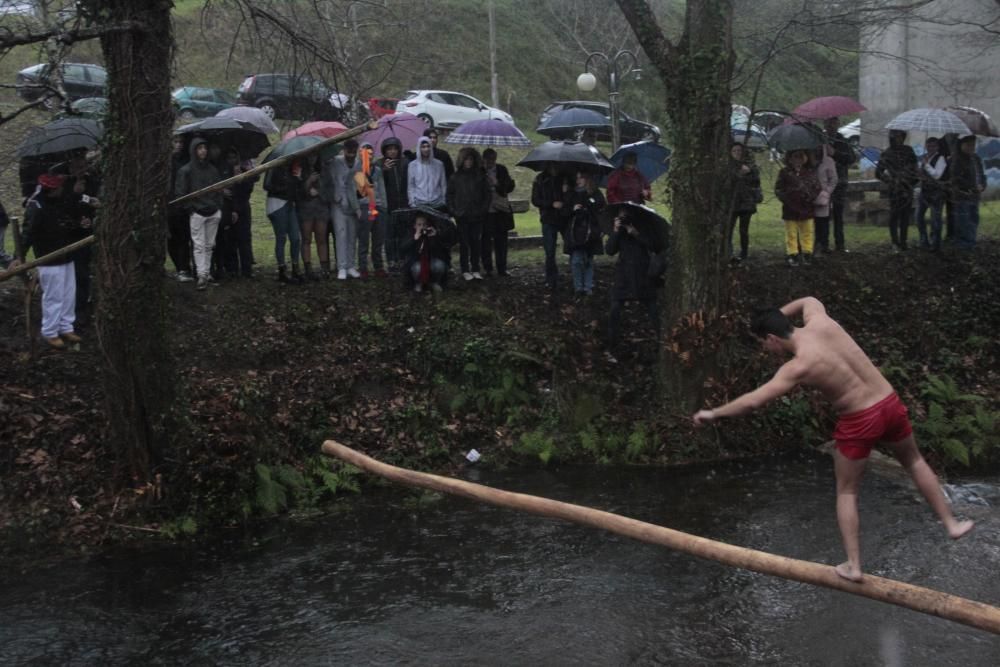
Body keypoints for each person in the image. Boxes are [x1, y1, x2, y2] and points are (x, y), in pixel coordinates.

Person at [691, 297, 975, 582]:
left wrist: (714, 413)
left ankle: (854, 565)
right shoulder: (822, 321)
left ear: (772, 339)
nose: (765, 350)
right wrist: (778, 314)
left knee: (847, 491)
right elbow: (808, 299)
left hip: (860, 418)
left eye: (764, 344)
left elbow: (753, 402)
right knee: (914, 461)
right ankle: (951, 523)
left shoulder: (798, 366)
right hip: (888, 402)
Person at [12, 174, 81, 349]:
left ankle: (66, 327)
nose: (62, 190)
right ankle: (50, 331)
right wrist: (18, 257)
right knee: (54, 297)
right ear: (53, 190)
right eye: (59, 188)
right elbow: (27, 233)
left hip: (67, 255)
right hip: (49, 258)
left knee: (68, 295)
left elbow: (67, 221)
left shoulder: (59, 202)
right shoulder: (36, 207)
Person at [605, 206, 664, 351]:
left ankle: (662, 339)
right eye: (621, 216)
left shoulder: (644, 227)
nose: (624, 219)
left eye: (626, 216)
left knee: (652, 308)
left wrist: (637, 234)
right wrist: (616, 231)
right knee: (615, 308)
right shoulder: (620, 231)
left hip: (643, 273)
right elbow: (610, 250)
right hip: (624, 273)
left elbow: (655, 246)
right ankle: (612, 342)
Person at [174, 138, 224, 290]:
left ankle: (206, 273)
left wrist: (217, 206)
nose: (203, 151)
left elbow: (218, 189)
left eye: (204, 148)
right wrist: (192, 209)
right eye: (199, 148)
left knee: (209, 245)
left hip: (213, 211)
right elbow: (180, 194)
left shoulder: (212, 170)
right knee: (199, 245)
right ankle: (201, 275)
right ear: (193, 150)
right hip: (197, 213)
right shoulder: (186, 171)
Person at [60, 149, 100, 313]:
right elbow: (60, 208)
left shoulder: (93, 181)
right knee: (67, 274)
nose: (81, 171)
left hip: (86, 233)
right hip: (67, 234)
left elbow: (97, 201)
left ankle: (81, 307)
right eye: (77, 167)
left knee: (82, 272)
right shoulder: (63, 183)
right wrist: (75, 194)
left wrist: (92, 213)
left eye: (83, 167)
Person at [447, 146, 492, 281]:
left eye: (471, 159)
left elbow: (487, 195)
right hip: (462, 216)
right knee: (464, 244)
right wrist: (455, 212)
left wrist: (482, 210)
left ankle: (476, 268)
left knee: (475, 243)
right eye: (466, 159)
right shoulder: (455, 177)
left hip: (477, 216)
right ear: (462, 160)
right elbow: (449, 196)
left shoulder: (480, 176)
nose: (468, 162)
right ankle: (465, 269)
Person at [321, 138, 362, 280]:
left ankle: (351, 265)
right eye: (348, 151)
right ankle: (342, 267)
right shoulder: (336, 162)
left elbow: (360, 183)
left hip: (353, 205)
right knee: (341, 234)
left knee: (352, 235)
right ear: (344, 150)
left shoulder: (358, 164)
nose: (351, 155)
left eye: (353, 152)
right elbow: (326, 175)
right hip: (337, 203)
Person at [263, 158, 306, 284]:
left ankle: (295, 267)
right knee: (281, 237)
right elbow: (267, 185)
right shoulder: (274, 167)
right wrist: (285, 187)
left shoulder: (294, 167)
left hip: (289, 203)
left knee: (295, 238)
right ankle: (282, 269)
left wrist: (297, 179)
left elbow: (297, 189)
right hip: (277, 204)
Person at [774, 149, 820, 267]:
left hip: (807, 208)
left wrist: (810, 197)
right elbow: (779, 189)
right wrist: (787, 198)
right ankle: (792, 254)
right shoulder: (784, 172)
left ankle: (807, 253)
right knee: (791, 233)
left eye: (801, 157)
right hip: (790, 208)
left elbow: (817, 187)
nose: (798, 160)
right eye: (795, 157)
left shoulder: (810, 172)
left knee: (807, 232)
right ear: (790, 159)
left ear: (805, 159)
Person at [875, 129, 919, 251]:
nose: (898, 139)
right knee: (894, 215)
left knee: (905, 216)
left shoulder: (908, 151)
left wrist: (910, 181)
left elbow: (915, 169)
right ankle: (895, 242)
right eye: (896, 136)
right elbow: (878, 172)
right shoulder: (887, 153)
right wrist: (891, 180)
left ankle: (904, 242)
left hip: (907, 188)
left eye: (900, 136)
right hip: (894, 189)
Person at [563, 171, 605, 296]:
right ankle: (578, 287)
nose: (578, 180)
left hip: (591, 230)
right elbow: (564, 212)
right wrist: (573, 208)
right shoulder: (572, 193)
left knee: (588, 259)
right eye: (577, 178)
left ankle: (588, 287)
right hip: (575, 231)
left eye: (581, 178)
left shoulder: (596, 193)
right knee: (576, 260)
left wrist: (601, 229)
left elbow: (601, 210)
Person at [531, 162, 568, 291]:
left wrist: (565, 193)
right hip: (548, 217)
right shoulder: (540, 179)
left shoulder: (566, 178)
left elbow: (572, 197)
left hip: (564, 217)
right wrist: (551, 204)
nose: (555, 168)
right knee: (550, 250)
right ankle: (551, 278)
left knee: (571, 245)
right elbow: (535, 200)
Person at [355, 141, 388, 278]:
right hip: (365, 206)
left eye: (370, 152)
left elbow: (382, 189)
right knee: (364, 239)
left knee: (378, 239)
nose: (368, 155)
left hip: (379, 207)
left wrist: (384, 207)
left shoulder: (378, 170)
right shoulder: (356, 170)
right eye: (365, 151)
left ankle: (378, 266)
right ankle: (363, 267)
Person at [481, 148, 515, 277]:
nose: (490, 162)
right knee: (485, 241)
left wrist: (497, 183)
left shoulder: (501, 169)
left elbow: (508, 187)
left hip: (500, 211)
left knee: (501, 241)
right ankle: (488, 267)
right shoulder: (479, 171)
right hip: (485, 212)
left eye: (492, 159)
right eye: (488, 159)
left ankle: (502, 268)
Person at [948, 135, 986, 250]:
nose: (971, 147)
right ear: (962, 145)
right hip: (962, 196)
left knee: (973, 219)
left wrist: (982, 185)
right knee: (963, 221)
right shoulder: (956, 160)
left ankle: (971, 243)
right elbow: (955, 179)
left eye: (973, 145)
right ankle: (963, 245)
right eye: (969, 145)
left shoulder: (976, 158)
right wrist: (972, 187)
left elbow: (982, 175)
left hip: (974, 196)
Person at [401, 211, 454, 293]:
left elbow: (444, 251)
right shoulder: (411, 234)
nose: (422, 227)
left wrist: (435, 237)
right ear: (414, 225)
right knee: (417, 268)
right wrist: (414, 239)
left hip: (433, 262)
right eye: (419, 224)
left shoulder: (433, 234)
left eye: (424, 224)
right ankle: (418, 283)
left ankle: (435, 282)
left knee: (438, 265)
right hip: (417, 263)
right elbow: (403, 249)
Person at [824, 117, 856, 252]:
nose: (832, 125)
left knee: (838, 214)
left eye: (834, 122)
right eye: (829, 122)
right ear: (825, 124)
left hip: (839, 182)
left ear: (838, 124)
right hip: (823, 183)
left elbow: (851, 158)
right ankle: (822, 244)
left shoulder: (842, 140)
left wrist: (835, 153)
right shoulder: (821, 139)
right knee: (822, 214)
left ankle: (840, 244)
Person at [378, 137, 410, 272]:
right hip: (388, 205)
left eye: (394, 148)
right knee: (389, 235)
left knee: (403, 234)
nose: (392, 152)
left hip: (403, 204)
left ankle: (402, 259)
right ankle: (391, 261)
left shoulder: (405, 163)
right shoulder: (379, 164)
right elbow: (376, 185)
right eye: (389, 149)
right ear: (384, 151)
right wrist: (383, 171)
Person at [728, 142, 761, 263]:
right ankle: (729, 253)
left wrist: (749, 172)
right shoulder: (728, 166)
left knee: (744, 230)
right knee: (729, 229)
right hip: (732, 203)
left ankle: (744, 253)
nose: (737, 153)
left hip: (747, 203)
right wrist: (737, 175)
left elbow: (756, 183)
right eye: (734, 151)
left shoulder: (751, 166)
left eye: (739, 151)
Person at [297, 155, 329, 280]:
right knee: (306, 239)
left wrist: (319, 192)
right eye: (310, 155)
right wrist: (308, 181)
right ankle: (308, 269)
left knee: (321, 239)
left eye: (315, 155)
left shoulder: (324, 169)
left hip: (321, 208)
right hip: (306, 209)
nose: (312, 158)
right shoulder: (300, 170)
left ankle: (324, 268)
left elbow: (330, 188)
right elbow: (298, 192)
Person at [167, 136, 194, 282]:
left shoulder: (186, 161)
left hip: (183, 204)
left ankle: (184, 268)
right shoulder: (165, 162)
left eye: (181, 142)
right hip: (168, 204)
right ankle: (179, 267)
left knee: (184, 238)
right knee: (171, 238)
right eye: (175, 142)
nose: (178, 145)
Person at [916, 136, 948, 252]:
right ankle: (924, 241)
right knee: (918, 217)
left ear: (937, 147)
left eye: (933, 146)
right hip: (924, 192)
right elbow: (922, 174)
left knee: (935, 220)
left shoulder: (941, 159)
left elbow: (937, 175)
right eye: (929, 146)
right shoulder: (925, 158)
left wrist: (926, 165)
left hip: (936, 193)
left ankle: (936, 244)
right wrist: (920, 171)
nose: (931, 148)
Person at [812, 144, 839, 255]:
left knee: (822, 222)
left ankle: (823, 245)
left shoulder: (828, 161)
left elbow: (833, 179)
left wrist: (826, 192)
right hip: (808, 196)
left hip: (822, 197)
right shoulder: (807, 159)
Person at [407, 136, 447, 211]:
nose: (426, 149)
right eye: (423, 147)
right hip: (419, 203)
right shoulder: (413, 165)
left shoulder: (439, 164)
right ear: (419, 148)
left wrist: (443, 200)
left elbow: (443, 184)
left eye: (428, 146)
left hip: (437, 203)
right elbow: (411, 186)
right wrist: (412, 202)